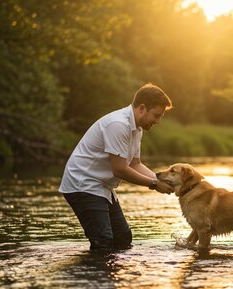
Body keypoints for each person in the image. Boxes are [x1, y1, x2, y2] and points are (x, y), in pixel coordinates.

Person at [59, 83, 174, 250]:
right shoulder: (118, 124)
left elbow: (135, 164)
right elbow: (119, 169)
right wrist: (155, 185)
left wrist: (163, 180)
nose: (158, 121)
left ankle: (109, 275)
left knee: (122, 238)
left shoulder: (138, 128)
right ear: (142, 108)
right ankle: (87, 275)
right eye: (156, 115)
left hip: (102, 185)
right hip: (83, 183)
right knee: (103, 242)